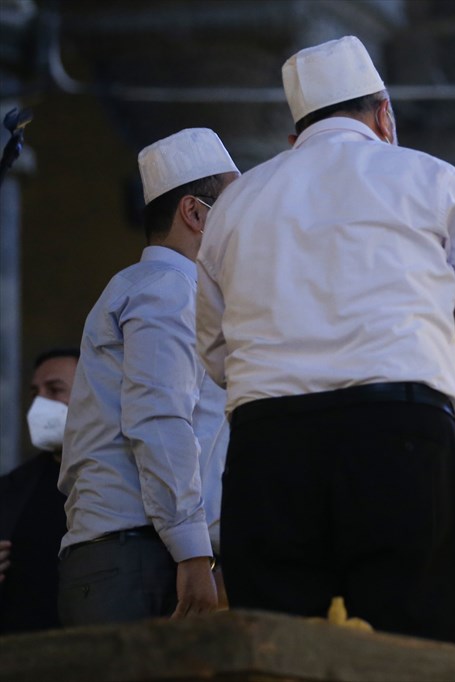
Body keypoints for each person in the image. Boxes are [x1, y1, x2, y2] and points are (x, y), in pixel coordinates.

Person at [195, 36, 455, 647]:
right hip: (397, 435)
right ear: (384, 113)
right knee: (419, 646)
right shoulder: (426, 175)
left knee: (276, 650)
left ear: (295, 133)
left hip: (268, 446)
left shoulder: (238, 200)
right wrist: (411, 332)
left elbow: (216, 353)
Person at [58, 128, 239, 625]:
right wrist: (192, 551)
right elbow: (158, 420)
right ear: (195, 213)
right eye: (233, 209)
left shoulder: (161, 289)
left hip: (138, 556)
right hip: (136, 558)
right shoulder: (168, 289)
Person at [0, 348, 79, 632]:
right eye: (36, 393)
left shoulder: (125, 481)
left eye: (55, 390)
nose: (40, 405)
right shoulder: (11, 489)